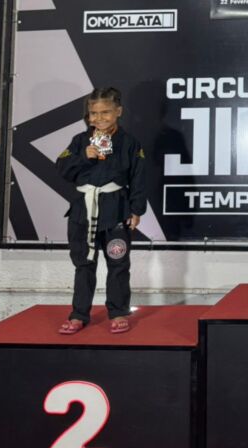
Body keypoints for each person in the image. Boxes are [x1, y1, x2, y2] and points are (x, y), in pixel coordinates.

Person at [55, 87, 146, 334]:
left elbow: (138, 178)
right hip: (82, 211)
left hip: (116, 210)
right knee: (83, 264)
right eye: (93, 113)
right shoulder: (79, 141)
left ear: (118, 111)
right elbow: (62, 169)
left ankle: (118, 312)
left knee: (118, 263)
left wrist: (136, 210)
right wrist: (83, 157)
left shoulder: (130, 143)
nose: (99, 118)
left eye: (105, 112)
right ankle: (78, 314)